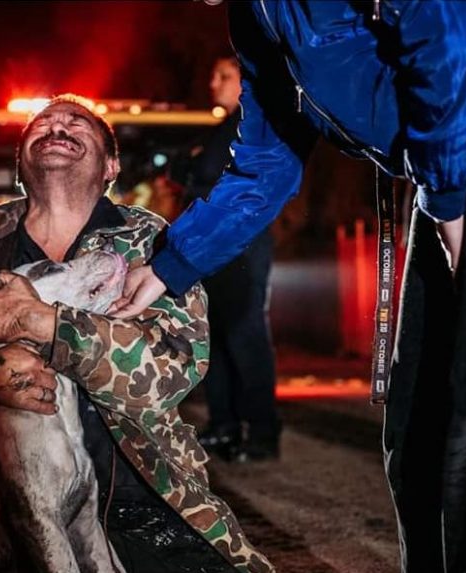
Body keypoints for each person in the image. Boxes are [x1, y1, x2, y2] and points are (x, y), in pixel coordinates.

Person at [111, 3, 466, 572]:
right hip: (441, 178)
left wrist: (447, 202)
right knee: (415, 423)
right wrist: (171, 263)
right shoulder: (255, 21)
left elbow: (458, 37)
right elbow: (267, 160)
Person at [0, 94, 273, 573]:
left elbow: (174, 368)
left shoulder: (152, 242)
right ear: (19, 164)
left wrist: (48, 325)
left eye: (77, 124)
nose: (57, 128)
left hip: (140, 504)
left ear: (111, 165)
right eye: (43, 124)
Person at [187, 55, 280, 462]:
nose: (214, 82)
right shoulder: (227, 125)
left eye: (223, 75)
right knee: (219, 333)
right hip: (219, 245)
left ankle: (261, 431)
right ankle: (223, 424)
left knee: (244, 333)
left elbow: (206, 169)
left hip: (242, 245)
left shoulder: (249, 123)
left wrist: (189, 166)